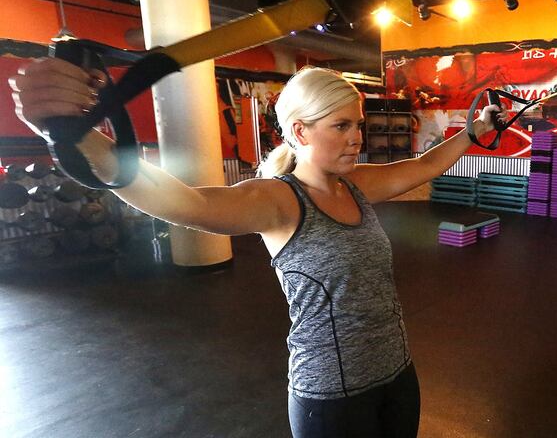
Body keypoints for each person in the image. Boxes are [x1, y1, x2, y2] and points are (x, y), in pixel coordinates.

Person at [9, 59, 503, 438]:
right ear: (300, 131)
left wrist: (474, 132)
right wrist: (74, 137)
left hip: (398, 376)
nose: (357, 138)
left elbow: (423, 166)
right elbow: (184, 203)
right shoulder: (277, 200)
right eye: (341, 127)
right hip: (333, 397)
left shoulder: (355, 185)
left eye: (358, 124)